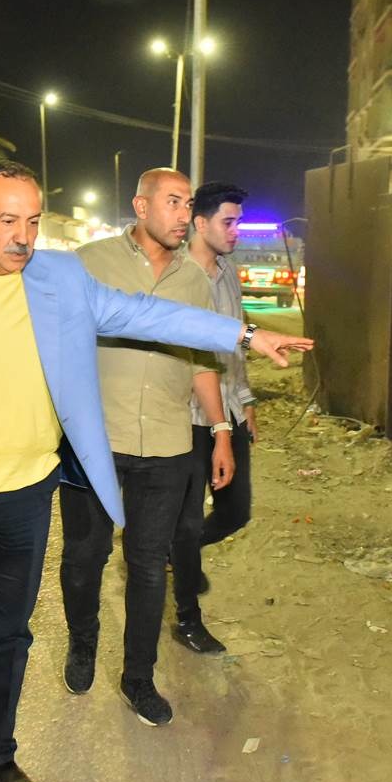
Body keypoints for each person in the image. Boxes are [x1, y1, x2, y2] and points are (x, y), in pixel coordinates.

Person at [0, 160, 311, 782]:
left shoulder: (60, 278)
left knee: (8, 632)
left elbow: (149, 315)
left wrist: (246, 334)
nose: (23, 237)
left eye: (33, 221)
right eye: (8, 220)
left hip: (29, 493)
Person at [59, 167, 238, 728]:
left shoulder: (195, 281)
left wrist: (221, 431)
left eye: (188, 204)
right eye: (174, 202)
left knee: (149, 567)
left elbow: (203, 362)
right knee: (84, 558)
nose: (185, 215)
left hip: (165, 442)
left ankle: (138, 676)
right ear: (141, 206)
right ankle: (83, 639)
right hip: (94, 442)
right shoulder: (90, 263)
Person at [168, 182, 257, 655]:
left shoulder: (228, 274)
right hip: (187, 418)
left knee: (235, 511)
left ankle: (176, 552)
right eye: (229, 221)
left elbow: (234, 348)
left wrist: (245, 401)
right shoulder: (175, 275)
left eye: (238, 221)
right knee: (185, 522)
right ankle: (187, 619)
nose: (236, 230)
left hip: (229, 411)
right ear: (200, 224)